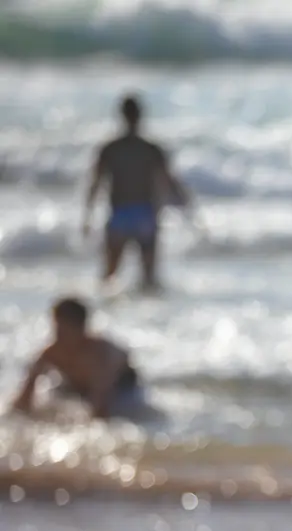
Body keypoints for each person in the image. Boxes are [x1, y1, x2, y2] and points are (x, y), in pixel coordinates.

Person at [83, 93, 193, 292]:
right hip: (146, 215)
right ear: (140, 116)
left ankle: (105, 312)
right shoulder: (151, 149)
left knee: (109, 276)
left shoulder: (110, 148)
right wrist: (187, 207)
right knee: (149, 279)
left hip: (119, 214)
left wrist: (87, 216)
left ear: (121, 115)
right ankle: (149, 316)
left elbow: (95, 184)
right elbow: (169, 181)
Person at [9, 297, 142, 420]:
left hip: (122, 388)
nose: (58, 337)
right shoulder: (52, 352)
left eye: (63, 331)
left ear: (81, 329)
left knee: (121, 410)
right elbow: (24, 397)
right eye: (56, 330)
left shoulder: (98, 356)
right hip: (78, 387)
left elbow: (100, 408)